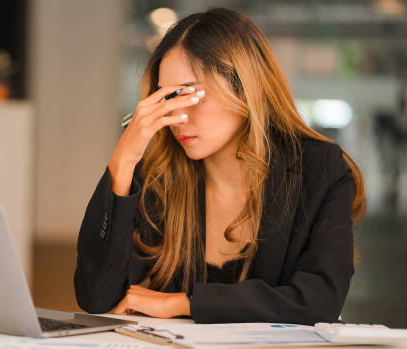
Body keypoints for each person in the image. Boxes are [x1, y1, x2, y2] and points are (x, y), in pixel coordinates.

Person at [74, 8, 366, 325]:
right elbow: (97, 298)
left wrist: (185, 303)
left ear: (243, 86)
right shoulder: (160, 174)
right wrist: (123, 161)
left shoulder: (318, 168)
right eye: (167, 98)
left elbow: (319, 300)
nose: (178, 118)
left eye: (189, 94)